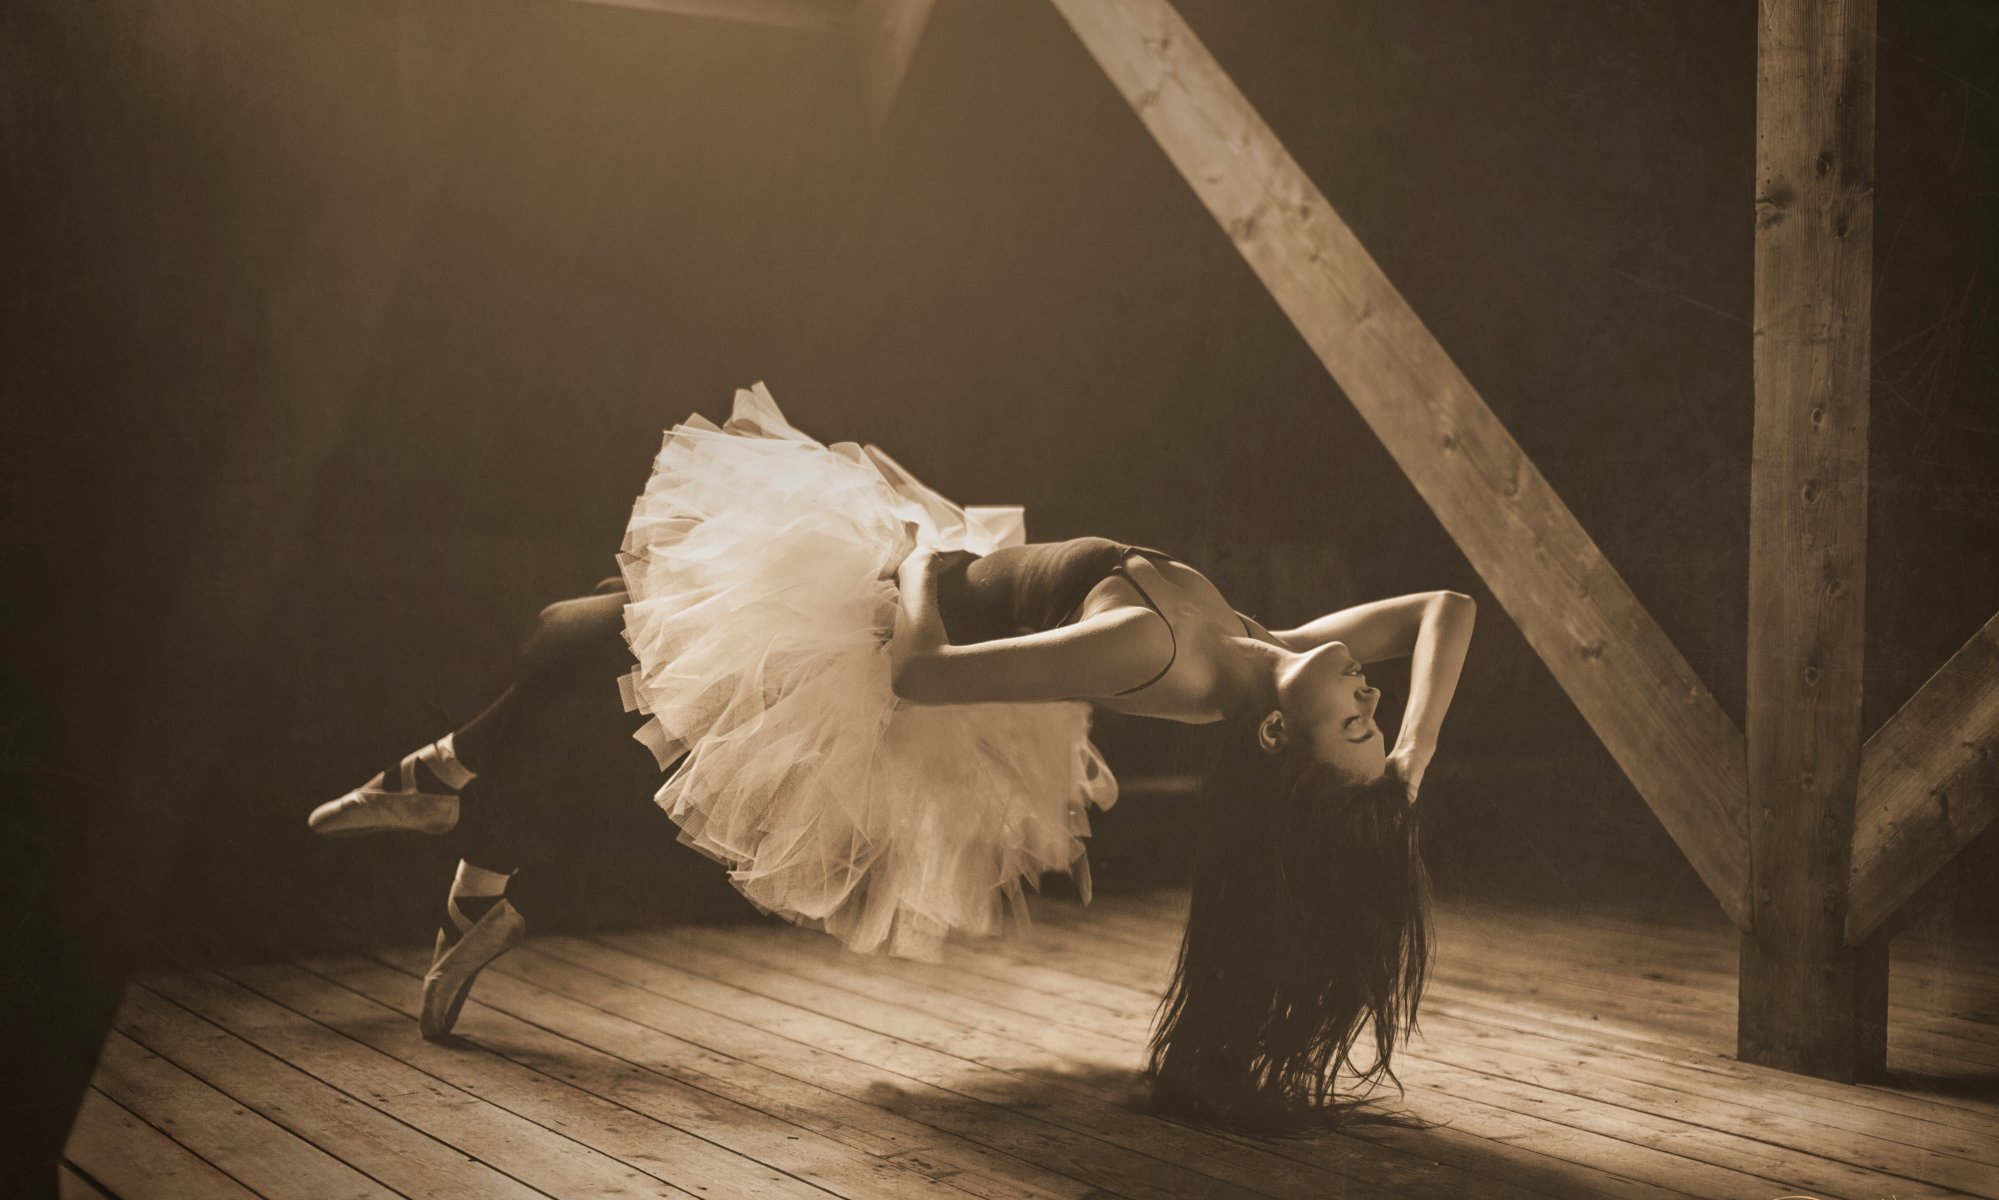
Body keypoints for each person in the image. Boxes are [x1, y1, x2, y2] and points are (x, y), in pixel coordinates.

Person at [308, 385, 1474, 1129]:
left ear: (1280, 735)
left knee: (581, 644)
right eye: (1372, 710)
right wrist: (1409, 755)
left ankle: (452, 809)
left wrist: (916, 566)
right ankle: (466, 847)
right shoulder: (1274, 652)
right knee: (578, 646)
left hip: (880, 630)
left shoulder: (1160, 646)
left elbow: (925, 676)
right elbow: (1441, 606)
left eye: (1358, 722)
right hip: (910, 595)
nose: (1367, 694)